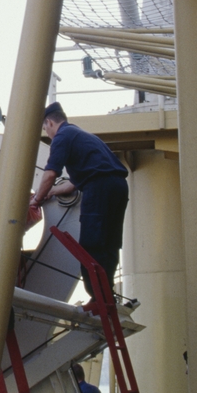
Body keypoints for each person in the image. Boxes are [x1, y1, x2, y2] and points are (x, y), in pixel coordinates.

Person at [29, 102, 128, 300]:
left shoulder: (62, 137)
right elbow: (74, 184)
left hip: (98, 188)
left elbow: (51, 173)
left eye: (45, 129)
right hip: (118, 187)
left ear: (49, 123)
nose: (48, 134)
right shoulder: (83, 135)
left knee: (91, 243)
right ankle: (107, 294)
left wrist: (37, 199)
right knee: (110, 243)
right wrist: (51, 192)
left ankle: (98, 297)